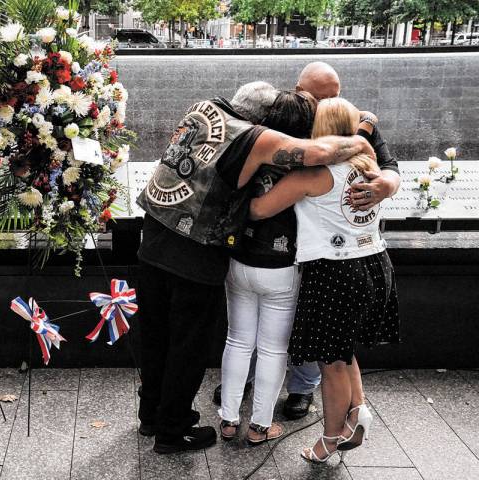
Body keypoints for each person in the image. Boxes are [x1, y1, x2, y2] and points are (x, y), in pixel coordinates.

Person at [136, 80, 375, 454]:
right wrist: (361, 141)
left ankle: (150, 416)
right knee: (188, 345)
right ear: (262, 120)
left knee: (155, 337)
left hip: (152, 237)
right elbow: (315, 153)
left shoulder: (205, 107)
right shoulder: (257, 138)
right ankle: (173, 430)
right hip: (194, 255)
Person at [211, 62, 400, 419]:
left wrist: (384, 186)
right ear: (299, 90)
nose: (326, 103)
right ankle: (247, 385)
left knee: (306, 328)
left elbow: (390, 166)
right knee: (271, 332)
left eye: (334, 95)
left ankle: (301, 389)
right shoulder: (284, 115)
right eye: (319, 97)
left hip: (320, 251)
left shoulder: (352, 120)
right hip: (281, 247)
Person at [249, 97, 400, 463]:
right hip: (375, 263)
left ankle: (329, 441)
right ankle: (357, 412)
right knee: (344, 349)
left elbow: (259, 209)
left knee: (330, 363)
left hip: (335, 272)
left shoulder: (313, 175)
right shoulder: (369, 165)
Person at [218, 91, 317, 444]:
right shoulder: (308, 166)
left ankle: (228, 420)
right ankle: (260, 426)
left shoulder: (252, 148)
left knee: (237, 340)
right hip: (281, 267)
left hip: (240, 259)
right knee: (274, 348)